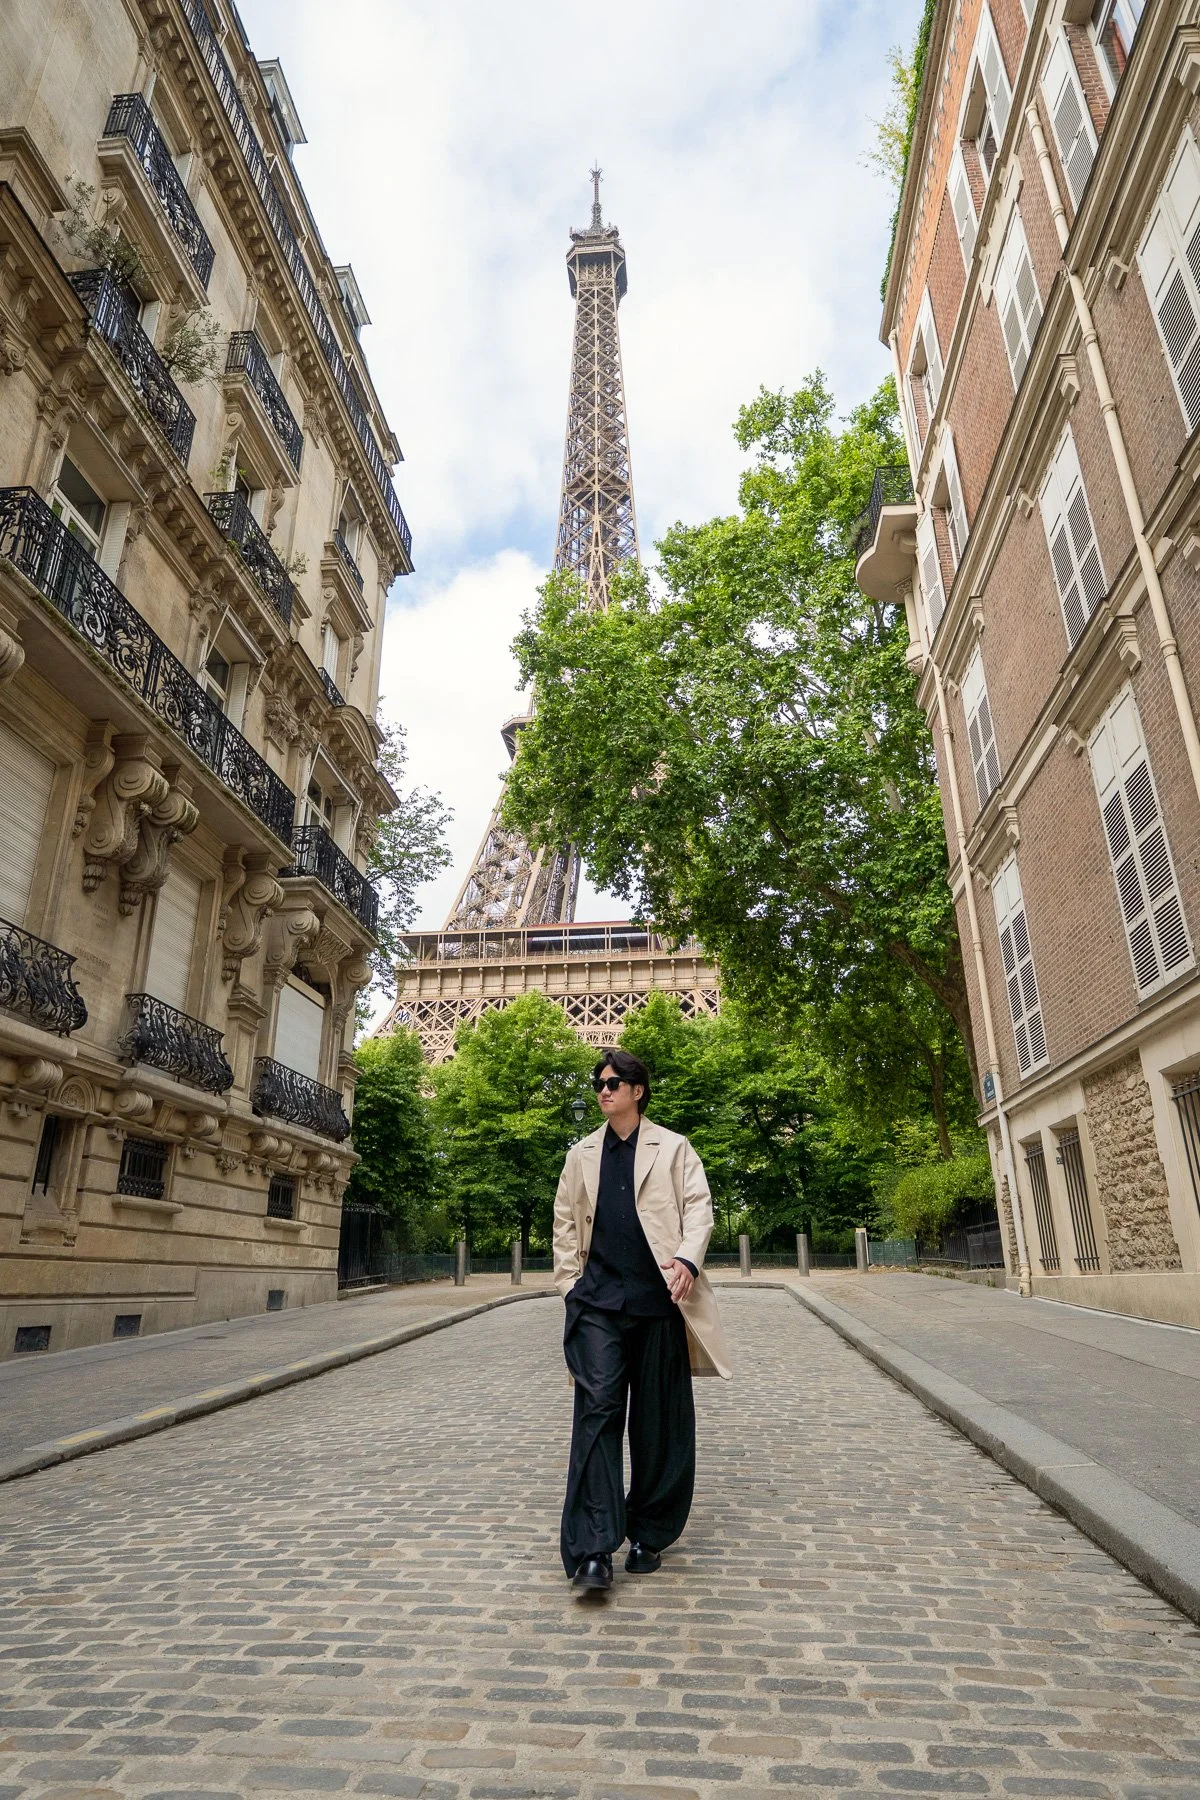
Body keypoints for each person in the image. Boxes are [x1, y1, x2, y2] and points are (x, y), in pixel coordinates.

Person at [553, 1047, 731, 1592]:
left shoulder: (674, 1148)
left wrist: (686, 1260)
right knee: (598, 1414)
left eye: (614, 1082)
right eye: (598, 1083)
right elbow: (563, 1223)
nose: (604, 1090)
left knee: (658, 1425)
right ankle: (592, 1549)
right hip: (599, 1306)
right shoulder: (579, 1154)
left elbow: (699, 1209)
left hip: (659, 1304)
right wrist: (571, 1286)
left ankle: (648, 1533)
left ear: (638, 1090)